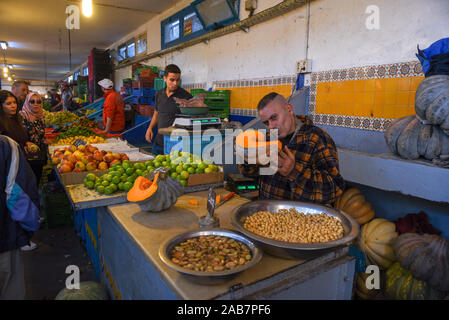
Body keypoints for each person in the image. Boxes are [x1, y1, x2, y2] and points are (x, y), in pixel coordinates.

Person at [238, 92, 345, 205]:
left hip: (302, 219)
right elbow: (250, 174)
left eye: (274, 118)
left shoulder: (317, 139)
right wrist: (247, 159)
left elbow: (334, 190)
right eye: (266, 123)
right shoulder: (267, 139)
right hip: (267, 216)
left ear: (289, 109)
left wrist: (293, 171)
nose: (271, 126)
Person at [0, 135, 40, 299]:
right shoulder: (6, 146)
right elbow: (16, 194)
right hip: (4, 236)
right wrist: (29, 228)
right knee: (9, 285)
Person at [145, 64, 192, 155]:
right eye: (172, 80)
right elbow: (156, 114)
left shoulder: (186, 97)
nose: (175, 83)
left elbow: (191, 120)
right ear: (165, 78)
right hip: (159, 141)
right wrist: (150, 128)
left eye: (177, 80)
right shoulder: (159, 94)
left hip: (176, 143)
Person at [20, 92, 48, 187]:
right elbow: (16, 135)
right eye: (32, 101)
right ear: (27, 103)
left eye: (38, 101)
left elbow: (41, 134)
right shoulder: (21, 117)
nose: (36, 104)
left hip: (39, 155)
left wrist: (45, 140)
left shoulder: (41, 117)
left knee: (36, 179)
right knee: (27, 182)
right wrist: (25, 142)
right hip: (26, 156)